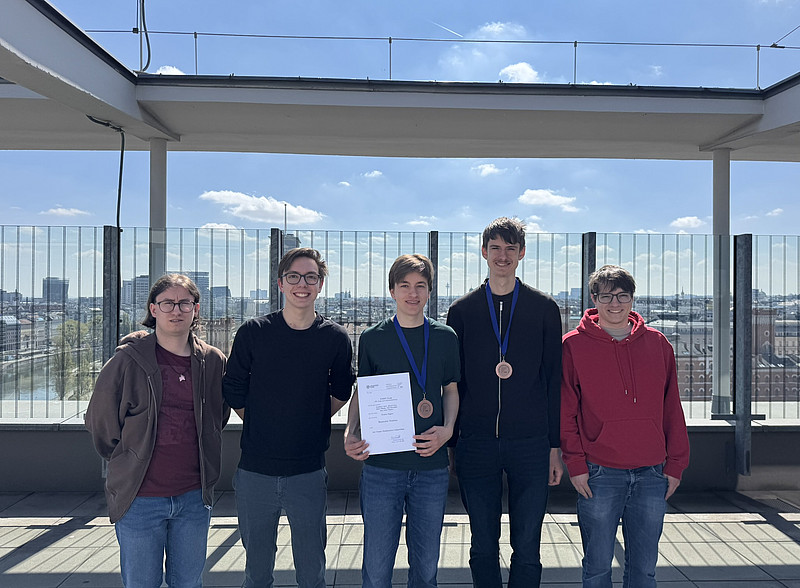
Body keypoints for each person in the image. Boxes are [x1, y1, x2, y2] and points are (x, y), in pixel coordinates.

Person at [85, 273, 229, 588]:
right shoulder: (127, 361)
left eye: (184, 303)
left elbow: (218, 417)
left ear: (196, 309)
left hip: (194, 496)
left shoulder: (213, 361)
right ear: (153, 309)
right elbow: (100, 421)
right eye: (167, 303)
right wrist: (127, 457)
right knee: (141, 583)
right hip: (140, 497)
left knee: (188, 582)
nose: (176, 310)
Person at [223, 247, 355, 588]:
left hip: (307, 471)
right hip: (255, 471)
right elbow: (233, 387)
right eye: (294, 276)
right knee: (256, 573)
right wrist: (261, 419)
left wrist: (309, 416)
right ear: (281, 283)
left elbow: (343, 389)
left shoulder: (335, 337)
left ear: (321, 284)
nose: (302, 284)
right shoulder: (254, 332)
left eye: (311, 277)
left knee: (312, 573)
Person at [446, 217, 563, 588]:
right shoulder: (462, 311)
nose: (502, 255)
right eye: (495, 247)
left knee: (527, 545)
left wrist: (554, 446)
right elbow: (453, 383)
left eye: (510, 248)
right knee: (482, 543)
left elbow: (553, 380)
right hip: (476, 442)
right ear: (483, 252)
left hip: (531, 443)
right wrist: (454, 443)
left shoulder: (544, 308)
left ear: (522, 253)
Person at [561, 264, 690, 588]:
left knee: (644, 571)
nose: (615, 303)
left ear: (633, 299)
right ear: (594, 299)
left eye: (622, 296)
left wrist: (676, 464)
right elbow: (566, 412)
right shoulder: (572, 346)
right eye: (606, 296)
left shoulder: (658, 344)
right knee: (597, 569)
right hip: (599, 472)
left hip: (652, 472)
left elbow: (672, 408)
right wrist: (575, 465)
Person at [344, 254, 460, 588]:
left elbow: (451, 390)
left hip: (430, 466)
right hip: (382, 468)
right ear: (392, 290)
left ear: (430, 291)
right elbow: (362, 391)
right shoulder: (372, 337)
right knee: (377, 568)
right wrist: (350, 432)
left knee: (426, 569)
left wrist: (448, 430)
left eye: (420, 286)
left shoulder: (445, 337)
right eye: (405, 285)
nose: (413, 293)